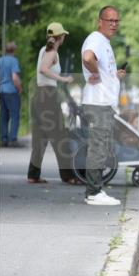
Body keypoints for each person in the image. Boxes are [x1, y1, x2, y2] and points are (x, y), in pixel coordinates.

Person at [80, 6, 127, 206]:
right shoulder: (96, 39)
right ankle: (93, 192)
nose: (114, 24)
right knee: (98, 147)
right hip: (97, 102)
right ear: (100, 21)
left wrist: (113, 75)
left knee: (101, 146)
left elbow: (98, 65)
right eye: (110, 20)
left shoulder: (104, 42)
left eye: (117, 21)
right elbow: (88, 58)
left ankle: (96, 190)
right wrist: (96, 73)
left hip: (103, 102)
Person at [28, 23, 83, 184]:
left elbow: (44, 70)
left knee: (40, 137)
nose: (64, 38)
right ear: (61, 37)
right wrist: (63, 79)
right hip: (48, 97)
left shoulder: (43, 50)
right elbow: (44, 69)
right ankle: (69, 176)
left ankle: (33, 174)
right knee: (61, 136)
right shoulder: (52, 52)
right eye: (64, 35)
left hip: (39, 96)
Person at [0, 40, 23, 147]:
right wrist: (19, 88)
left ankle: (4, 139)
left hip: (2, 91)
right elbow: (14, 77)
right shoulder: (13, 61)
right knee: (14, 115)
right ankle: (13, 139)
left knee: (3, 115)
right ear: (14, 50)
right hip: (11, 91)